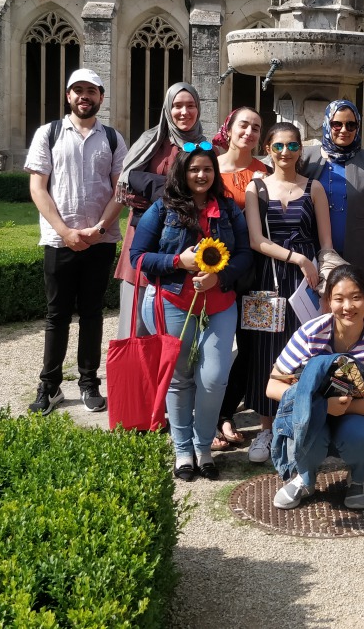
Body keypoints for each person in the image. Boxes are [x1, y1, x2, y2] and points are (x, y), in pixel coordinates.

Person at [130, 143, 252, 481]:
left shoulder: (228, 210)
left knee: (213, 378)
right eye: (194, 169)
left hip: (220, 305)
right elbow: (137, 257)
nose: (201, 175)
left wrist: (220, 277)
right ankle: (183, 449)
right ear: (182, 172)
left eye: (207, 169)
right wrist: (176, 261)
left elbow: (244, 254)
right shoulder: (163, 209)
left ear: (215, 173)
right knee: (180, 379)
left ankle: (203, 444)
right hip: (174, 303)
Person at [24, 68, 127, 415]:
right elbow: (38, 187)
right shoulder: (48, 133)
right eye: (78, 90)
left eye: (91, 91)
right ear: (68, 96)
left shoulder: (113, 138)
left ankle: (88, 382)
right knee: (56, 316)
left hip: (100, 241)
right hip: (58, 241)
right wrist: (66, 232)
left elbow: (120, 191)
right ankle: (49, 385)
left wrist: (98, 229)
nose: (85, 96)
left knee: (93, 314)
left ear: (100, 97)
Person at [266, 265, 364, 511]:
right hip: (316, 412)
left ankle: (358, 477)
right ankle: (305, 477)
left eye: (356, 297)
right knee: (306, 422)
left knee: (362, 434)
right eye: (339, 299)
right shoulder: (311, 333)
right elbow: (272, 385)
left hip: (356, 415)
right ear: (328, 301)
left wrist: (342, 409)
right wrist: (321, 406)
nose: (348, 307)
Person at [242, 121, 333, 464]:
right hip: (269, 277)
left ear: (301, 150)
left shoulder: (314, 188)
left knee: (306, 348)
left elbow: (326, 243)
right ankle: (266, 429)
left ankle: (300, 425)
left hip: (307, 282)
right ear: (268, 148)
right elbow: (256, 240)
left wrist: (322, 275)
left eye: (293, 146)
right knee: (266, 350)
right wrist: (296, 258)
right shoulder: (256, 188)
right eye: (278, 146)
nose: (285, 153)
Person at [114, 82, 206, 330]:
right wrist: (170, 191)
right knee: (135, 324)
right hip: (145, 234)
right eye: (177, 106)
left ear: (198, 109)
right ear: (168, 108)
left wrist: (156, 189)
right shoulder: (151, 140)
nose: (184, 112)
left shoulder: (206, 148)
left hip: (183, 243)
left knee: (175, 328)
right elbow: (127, 183)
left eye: (190, 106)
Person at [212, 106, 268, 450]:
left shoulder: (266, 171)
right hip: (215, 272)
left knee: (250, 348)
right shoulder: (209, 169)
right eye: (243, 125)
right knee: (214, 349)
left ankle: (223, 413)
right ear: (229, 129)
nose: (249, 132)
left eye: (256, 128)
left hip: (256, 273)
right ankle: (206, 416)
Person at [300, 100, 364, 305]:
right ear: (326, 124)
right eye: (336, 124)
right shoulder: (307, 159)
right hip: (312, 260)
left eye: (351, 125)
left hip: (356, 261)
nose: (344, 130)